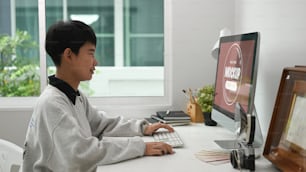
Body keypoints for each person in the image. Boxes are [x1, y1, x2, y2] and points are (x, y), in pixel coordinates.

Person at [22, 20, 174, 172]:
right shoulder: (52, 104)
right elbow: (82, 153)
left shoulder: (74, 96)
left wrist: (143, 128)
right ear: (69, 55)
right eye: (90, 53)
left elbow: (102, 124)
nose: (95, 62)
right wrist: (141, 147)